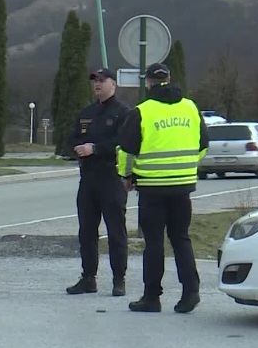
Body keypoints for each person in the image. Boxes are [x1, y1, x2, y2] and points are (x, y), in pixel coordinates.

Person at [116, 62, 209, 313]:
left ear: (148, 83)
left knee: (154, 242)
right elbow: (203, 146)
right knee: (181, 239)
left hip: (152, 188)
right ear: (169, 79)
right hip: (183, 187)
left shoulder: (142, 111)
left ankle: (152, 297)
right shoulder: (190, 107)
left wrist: (126, 176)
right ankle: (191, 292)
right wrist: (184, 168)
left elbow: (126, 152)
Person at [65, 68, 133, 297]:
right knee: (86, 231)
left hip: (111, 177)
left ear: (113, 84)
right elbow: (73, 136)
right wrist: (76, 147)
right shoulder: (87, 112)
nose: (97, 84)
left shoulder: (123, 112)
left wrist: (95, 148)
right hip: (88, 178)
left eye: (102, 81)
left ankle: (118, 279)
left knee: (115, 231)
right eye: (95, 81)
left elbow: (123, 142)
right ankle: (88, 277)